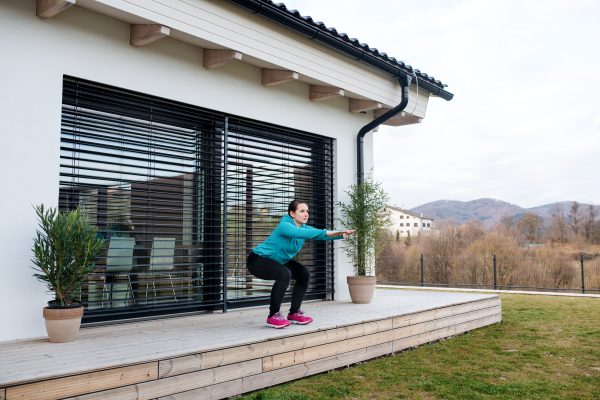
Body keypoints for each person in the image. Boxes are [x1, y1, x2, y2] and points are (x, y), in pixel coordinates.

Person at [247, 199, 355, 328]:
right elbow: (301, 233)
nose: (306, 214)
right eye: (302, 211)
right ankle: (273, 315)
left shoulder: (303, 227)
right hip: (258, 260)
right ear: (292, 213)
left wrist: (341, 234)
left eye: (307, 211)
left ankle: (294, 313)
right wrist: (327, 232)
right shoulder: (285, 224)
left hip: (278, 261)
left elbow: (317, 234)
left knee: (303, 273)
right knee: (284, 272)